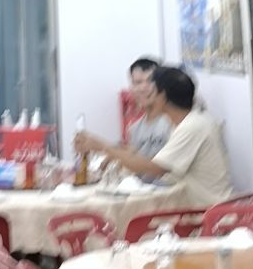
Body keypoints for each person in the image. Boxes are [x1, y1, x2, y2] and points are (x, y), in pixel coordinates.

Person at [75, 64, 232, 208]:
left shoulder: (191, 127)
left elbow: (153, 169)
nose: (145, 93)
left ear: (162, 96)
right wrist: (110, 151)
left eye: (151, 89)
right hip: (187, 204)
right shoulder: (191, 121)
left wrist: (102, 146)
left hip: (209, 212)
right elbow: (142, 158)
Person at [125, 56, 171, 162]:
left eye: (150, 81)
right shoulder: (134, 129)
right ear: (131, 88)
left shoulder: (175, 121)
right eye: (138, 82)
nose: (143, 88)